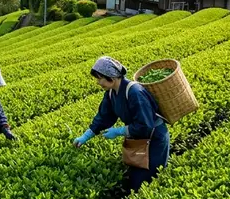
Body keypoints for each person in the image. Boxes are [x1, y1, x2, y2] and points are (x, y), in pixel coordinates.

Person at [72, 56, 170, 191]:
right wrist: (86, 135)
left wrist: (119, 131)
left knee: (146, 182)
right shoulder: (111, 93)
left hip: (154, 139)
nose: (98, 82)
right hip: (139, 139)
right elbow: (103, 117)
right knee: (135, 180)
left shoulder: (135, 92)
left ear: (111, 77)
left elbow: (145, 125)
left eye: (100, 78)